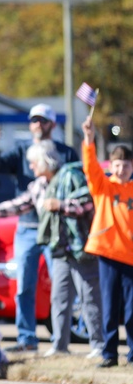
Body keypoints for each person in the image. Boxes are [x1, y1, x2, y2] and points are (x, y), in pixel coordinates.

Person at [0, 140, 104, 359]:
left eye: (33, 163)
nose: (30, 167)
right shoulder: (39, 185)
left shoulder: (72, 176)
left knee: (88, 297)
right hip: (57, 248)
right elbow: (18, 205)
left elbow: (89, 202)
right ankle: (60, 346)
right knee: (59, 298)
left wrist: (61, 205)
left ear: (46, 160)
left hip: (79, 249)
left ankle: (99, 345)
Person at [0, 103, 79, 352]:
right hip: (27, 228)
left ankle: (60, 342)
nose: (37, 125)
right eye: (33, 121)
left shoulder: (66, 154)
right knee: (24, 285)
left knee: (61, 287)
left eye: (42, 121)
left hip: (57, 231)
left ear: (52, 125)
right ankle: (27, 339)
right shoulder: (22, 150)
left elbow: (79, 186)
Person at [80, 115, 133, 368]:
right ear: (111, 166)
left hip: (131, 257)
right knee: (110, 307)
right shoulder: (103, 187)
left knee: (132, 311)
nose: (121, 169)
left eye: (126, 165)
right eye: (117, 165)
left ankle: (132, 353)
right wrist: (88, 139)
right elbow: (90, 167)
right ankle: (109, 354)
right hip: (109, 255)